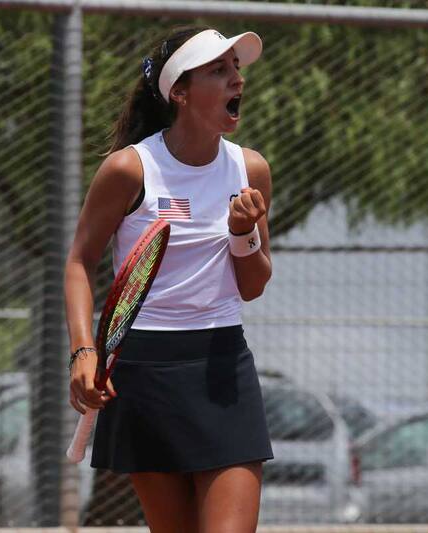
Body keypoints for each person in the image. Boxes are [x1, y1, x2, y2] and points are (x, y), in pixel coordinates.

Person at [65, 27, 274, 533]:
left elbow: (254, 284)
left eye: (236, 69)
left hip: (223, 367)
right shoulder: (129, 169)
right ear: (179, 91)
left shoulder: (250, 168)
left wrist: (243, 233)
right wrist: (84, 352)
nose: (235, 79)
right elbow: (79, 262)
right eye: (218, 70)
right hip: (142, 374)